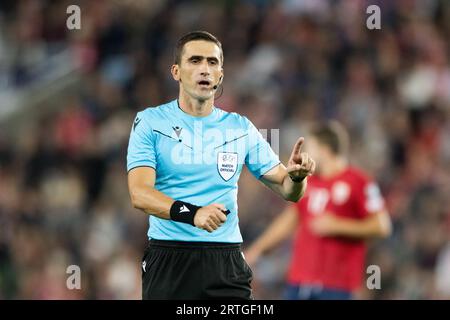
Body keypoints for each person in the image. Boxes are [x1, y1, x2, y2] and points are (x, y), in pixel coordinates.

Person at [126, 31, 315, 300]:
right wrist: (193, 214)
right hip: (170, 259)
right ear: (176, 71)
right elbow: (140, 194)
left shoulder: (240, 127)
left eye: (212, 62)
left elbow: (288, 191)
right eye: (195, 60)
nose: (204, 69)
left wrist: (296, 178)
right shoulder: (150, 122)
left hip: (225, 261)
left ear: (221, 75)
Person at [245, 121, 392, 300]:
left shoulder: (359, 182)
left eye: (311, 148)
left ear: (324, 150)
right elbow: (287, 222)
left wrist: (338, 225)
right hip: (299, 282)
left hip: (337, 286)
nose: (307, 154)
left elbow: (382, 226)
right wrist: (255, 251)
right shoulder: (309, 182)